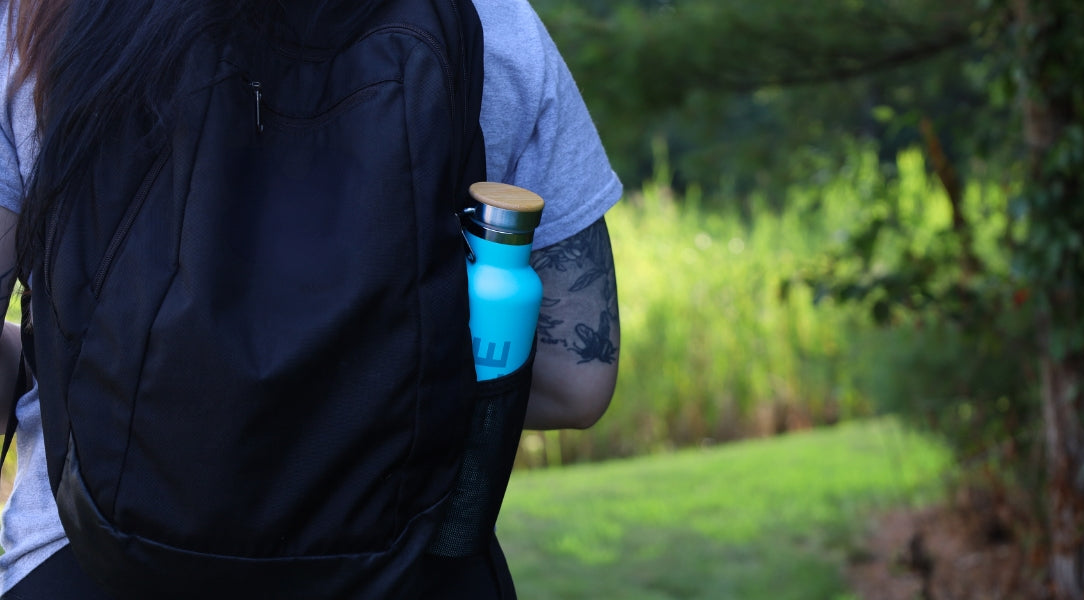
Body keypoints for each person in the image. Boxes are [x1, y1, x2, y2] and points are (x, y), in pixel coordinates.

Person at [0, 0, 621, 596]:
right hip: (408, 563)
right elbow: (578, 378)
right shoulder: (493, 18)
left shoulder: (38, 17)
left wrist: (58, 356)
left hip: (83, 560)